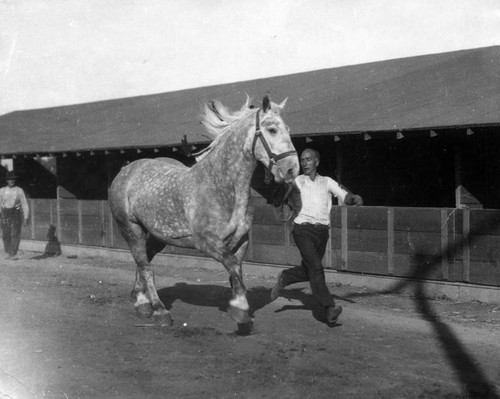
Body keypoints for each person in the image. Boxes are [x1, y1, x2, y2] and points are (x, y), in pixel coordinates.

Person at [270, 148, 363, 324]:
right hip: (302, 230)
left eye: (308, 159)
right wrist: (278, 178)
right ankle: (329, 308)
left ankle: (286, 277)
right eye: (302, 160)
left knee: (310, 271)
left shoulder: (327, 182)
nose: (304, 163)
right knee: (316, 268)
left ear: (317, 161)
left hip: (322, 232)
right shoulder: (297, 181)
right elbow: (280, 194)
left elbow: (343, 195)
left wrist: (354, 198)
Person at [0, 171, 29, 260]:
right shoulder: (2, 190)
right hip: (5, 213)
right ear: (7, 181)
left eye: (12, 179)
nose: (11, 181)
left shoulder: (19, 190)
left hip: (15, 213)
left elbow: (24, 204)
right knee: (6, 233)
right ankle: (8, 252)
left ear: (15, 180)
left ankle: (13, 253)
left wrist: (26, 217)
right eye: (9, 179)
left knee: (15, 233)